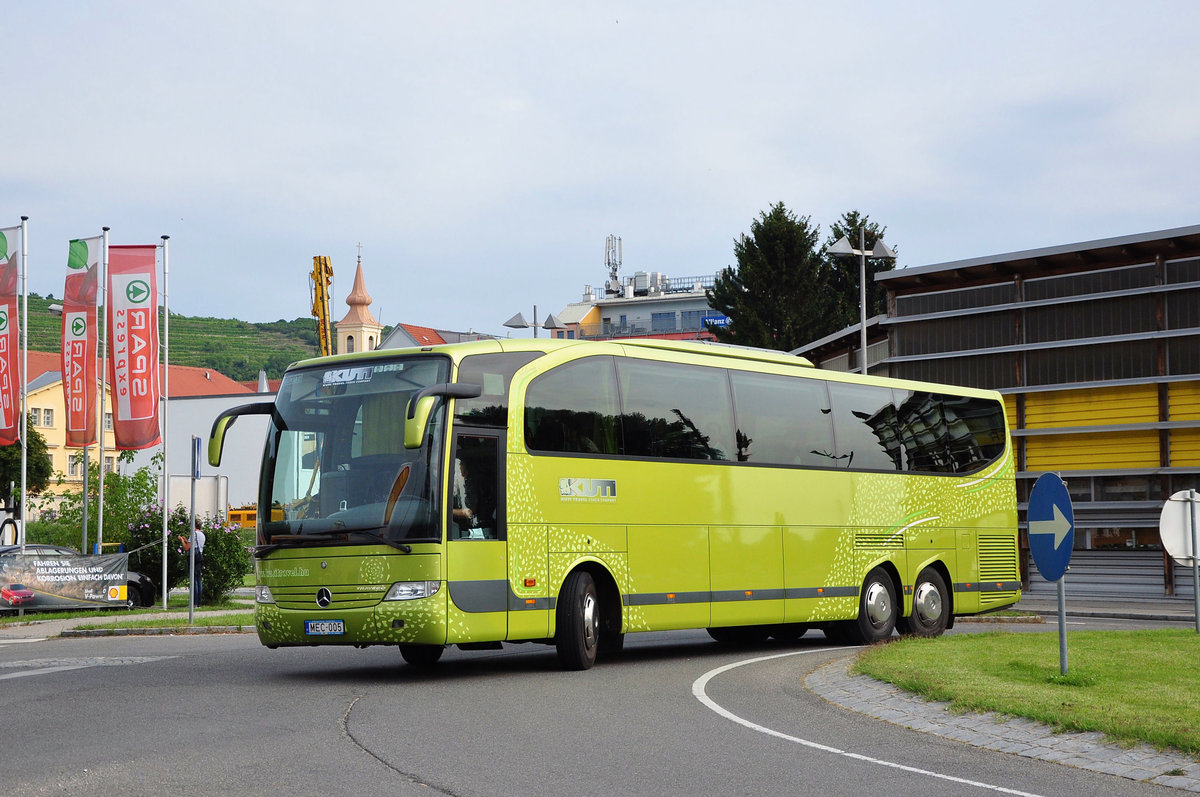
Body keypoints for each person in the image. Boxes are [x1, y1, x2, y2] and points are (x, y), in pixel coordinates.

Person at [178, 520, 207, 604]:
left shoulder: (193, 534)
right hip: (199, 557)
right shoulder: (202, 534)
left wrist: (182, 541)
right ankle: (199, 602)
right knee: (198, 580)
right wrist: (187, 540)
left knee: (193, 580)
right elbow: (195, 545)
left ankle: (194, 602)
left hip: (193, 558)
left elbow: (187, 548)